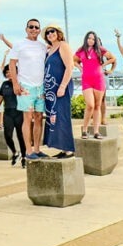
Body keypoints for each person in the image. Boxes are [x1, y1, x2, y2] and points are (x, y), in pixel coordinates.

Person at [8, 19, 47, 161]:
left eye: (37, 27)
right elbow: (12, 64)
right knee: (28, 117)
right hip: (25, 87)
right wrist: (15, 84)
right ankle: (28, 151)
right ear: (26, 29)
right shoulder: (19, 45)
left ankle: (37, 149)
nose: (34, 29)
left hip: (40, 87)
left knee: (38, 118)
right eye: (31, 27)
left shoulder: (43, 46)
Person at [43, 25, 75, 157]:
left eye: (52, 31)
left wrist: (62, 86)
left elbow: (70, 66)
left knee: (62, 116)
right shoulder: (49, 50)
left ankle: (69, 149)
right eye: (48, 33)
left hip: (61, 86)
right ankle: (62, 148)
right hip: (51, 89)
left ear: (58, 33)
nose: (50, 34)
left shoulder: (63, 45)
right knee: (54, 117)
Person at [74, 31, 107, 139]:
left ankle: (96, 132)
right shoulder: (81, 50)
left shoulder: (100, 49)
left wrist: (104, 66)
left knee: (97, 106)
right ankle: (84, 130)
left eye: (93, 39)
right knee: (90, 105)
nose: (91, 40)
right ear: (86, 39)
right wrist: (80, 68)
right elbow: (74, 60)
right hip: (86, 80)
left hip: (99, 80)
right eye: (89, 38)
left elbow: (113, 58)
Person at [0, 65, 25, 165]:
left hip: (20, 113)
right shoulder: (4, 84)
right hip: (8, 113)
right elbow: (0, 98)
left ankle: (24, 157)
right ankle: (15, 153)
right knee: (7, 135)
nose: (9, 73)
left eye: (11, 71)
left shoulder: (21, 83)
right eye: (6, 72)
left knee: (21, 136)